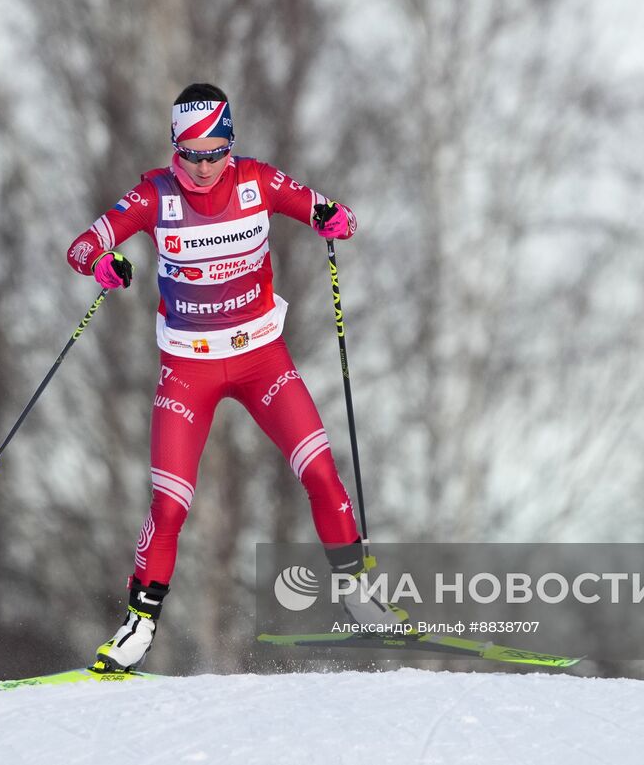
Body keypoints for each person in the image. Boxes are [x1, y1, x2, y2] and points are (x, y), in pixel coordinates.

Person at [63, 82, 406, 673]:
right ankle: (138, 626)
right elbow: (82, 246)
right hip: (188, 368)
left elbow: (333, 213)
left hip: (260, 359)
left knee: (322, 472)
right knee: (169, 507)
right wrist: (104, 262)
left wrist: (333, 219)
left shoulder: (259, 182)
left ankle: (358, 594)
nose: (202, 167)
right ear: (174, 149)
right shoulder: (154, 194)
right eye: (190, 154)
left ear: (231, 145)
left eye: (215, 152)